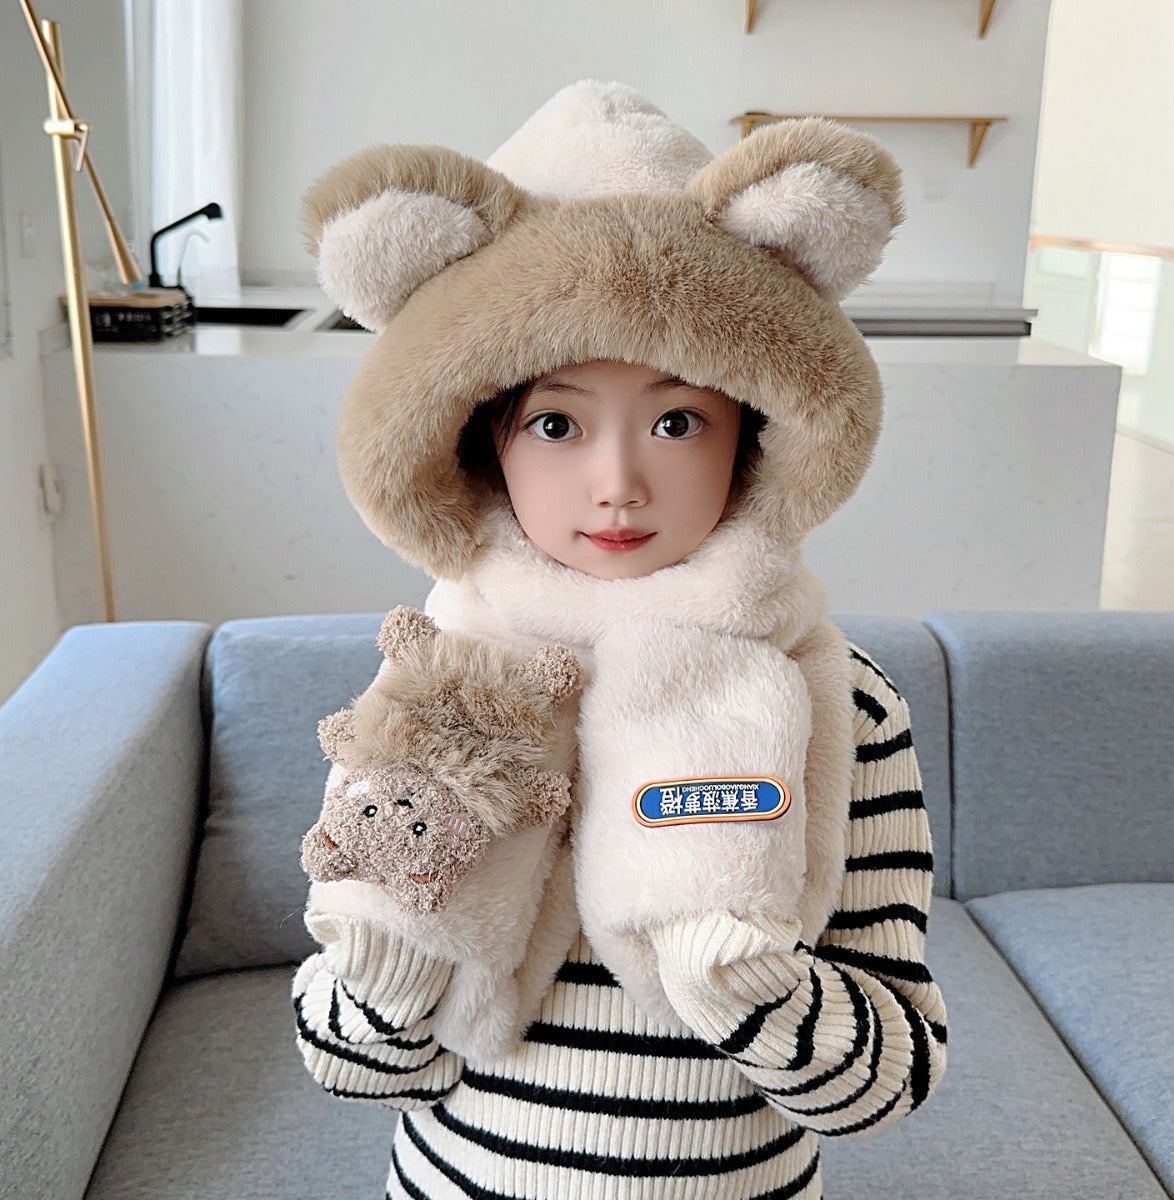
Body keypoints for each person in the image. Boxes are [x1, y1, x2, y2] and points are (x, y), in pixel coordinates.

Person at [292, 81, 947, 1200]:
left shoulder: (841, 698)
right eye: (556, 422)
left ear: (755, 435)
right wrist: (392, 972)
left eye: (677, 419)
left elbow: (893, 1077)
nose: (617, 483)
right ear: (481, 443)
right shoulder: (440, 680)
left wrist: (749, 990)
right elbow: (347, 1066)